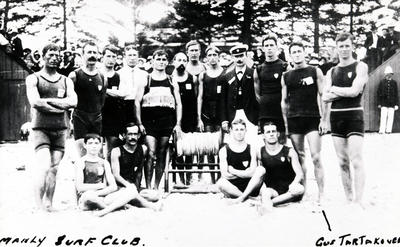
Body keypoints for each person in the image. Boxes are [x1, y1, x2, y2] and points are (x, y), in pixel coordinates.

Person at [25, 43, 77, 211]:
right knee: (44, 166)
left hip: (61, 129)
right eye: (51, 55)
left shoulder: (66, 80)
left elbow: (73, 102)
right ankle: (39, 205)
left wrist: (49, 102)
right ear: (43, 56)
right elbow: (35, 102)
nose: (54, 58)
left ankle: (49, 203)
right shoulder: (34, 78)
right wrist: (62, 105)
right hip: (41, 128)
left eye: (57, 56)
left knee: (54, 168)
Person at [322, 32, 368, 207]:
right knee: (342, 161)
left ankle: (359, 200)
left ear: (352, 46)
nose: (344, 49)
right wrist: (342, 91)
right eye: (340, 46)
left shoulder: (360, 66)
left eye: (347, 45)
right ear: (336, 48)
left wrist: (334, 89)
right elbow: (325, 97)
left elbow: (355, 91)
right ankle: (349, 198)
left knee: (356, 158)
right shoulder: (331, 71)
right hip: (336, 117)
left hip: (354, 115)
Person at [281, 41, 327, 202]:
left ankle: (321, 194)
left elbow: (323, 96)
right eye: (293, 52)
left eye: (299, 51)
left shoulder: (315, 71)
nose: (297, 54)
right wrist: (286, 125)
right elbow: (284, 101)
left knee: (315, 157)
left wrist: (324, 120)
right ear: (290, 55)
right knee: (300, 158)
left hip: (312, 119)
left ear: (304, 52)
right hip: (294, 120)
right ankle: (303, 192)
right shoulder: (286, 76)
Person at [231, 122, 304, 214]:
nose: (271, 134)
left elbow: (299, 173)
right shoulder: (260, 152)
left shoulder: (289, 151)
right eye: (268, 132)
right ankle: (268, 208)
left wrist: (293, 184)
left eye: (273, 131)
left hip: (289, 190)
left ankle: (266, 203)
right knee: (265, 192)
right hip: (273, 190)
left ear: (278, 134)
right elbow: (254, 171)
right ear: (263, 136)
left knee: (300, 189)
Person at [135, 49, 183, 190]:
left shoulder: (171, 79)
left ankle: (156, 186)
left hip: (167, 121)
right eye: (158, 59)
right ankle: (148, 186)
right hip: (149, 121)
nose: (161, 62)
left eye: (163, 59)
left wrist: (178, 124)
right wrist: (139, 123)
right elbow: (137, 102)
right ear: (152, 61)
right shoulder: (146, 79)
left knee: (162, 153)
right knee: (151, 152)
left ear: (167, 62)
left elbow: (178, 103)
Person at [75, 133, 138, 217]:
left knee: (132, 190)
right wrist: (101, 185)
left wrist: (100, 193)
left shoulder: (104, 162)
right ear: (85, 145)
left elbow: (113, 186)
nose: (94, 146)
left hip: (102, 196)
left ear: (100, 145)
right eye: (90, 143)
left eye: (96, 143)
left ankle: (105, 210)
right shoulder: (81, 162)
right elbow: (80, 187)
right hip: (86, 198)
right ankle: (114, 207)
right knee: (90, 195)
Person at [110, 123, 163, 210]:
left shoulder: (143, 149)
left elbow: (139, 171)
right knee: (129, 193)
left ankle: (127, 202)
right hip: (120, 187)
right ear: (124, 135)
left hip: (134, 187)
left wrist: (136, 187)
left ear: (139, 136)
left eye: (135, 134)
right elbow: (116, 175)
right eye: (130, 134)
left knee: (155, 195)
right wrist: (128, 185)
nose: (133, 137)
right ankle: (151, 206)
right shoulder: (116, 151)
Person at [69, 41, 107, 157]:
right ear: (82, 55)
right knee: (83, 155)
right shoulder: (74, 75)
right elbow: (68, 99)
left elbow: (102, 101)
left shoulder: (102, 77)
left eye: (94, 52)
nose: (92, 55)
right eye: (89, 52)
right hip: (80, 118)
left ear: (98, 55)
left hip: (96, 119)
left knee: (98, 155)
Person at [220, 44, 259, 144]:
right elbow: (223, 100)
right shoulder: (227, 76)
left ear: (246, 56)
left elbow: (258, 96)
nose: (239, 59)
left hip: (250, 115)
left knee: (252, 143)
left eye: (241, 56)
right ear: (232, 58)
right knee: (234, 144)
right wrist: (224, 120)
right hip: (233, 115)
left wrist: (259, 118)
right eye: (236, 56)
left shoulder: (254, 73)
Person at [197, 45, 225, 183]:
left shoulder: (225, 73)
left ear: (219, 56)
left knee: (220, 145)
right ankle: (213, 177)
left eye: (215, 55)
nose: (212, 58)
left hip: (221, 112)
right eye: (210, 55)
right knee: (209, 145)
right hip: (207, 113)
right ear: (206, 58)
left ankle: (221, 176)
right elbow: (200, 97)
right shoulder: (203, 75)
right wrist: (199, 118)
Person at [254, 34, 288, 142]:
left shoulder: (285, 66)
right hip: (265, 112)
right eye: (266, 45)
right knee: (267, 145)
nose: (269, 48)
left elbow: (289, 91)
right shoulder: (259, 69)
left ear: (277, 47)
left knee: (282, 143)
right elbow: (257, 94)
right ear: (263, 48)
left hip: (281, 112)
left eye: (272, 45)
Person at [171, 52, 197, 186]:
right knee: (177, 148)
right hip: (174, 119)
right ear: (173, 62)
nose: (181, 63)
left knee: (190, 148)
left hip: (190, 118)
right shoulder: (170, 79)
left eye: (184, 60)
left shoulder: (192, 79)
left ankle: (189, 175)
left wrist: (197, 119)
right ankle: (179, 177)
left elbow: (197, 97)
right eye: (179, 60)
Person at [216, 119, 257, 198]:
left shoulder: (251, 149)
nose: (239, 132)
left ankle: (243, 197)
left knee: (260, 172)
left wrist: (233, 171)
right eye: (236, 130)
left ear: (246, 130)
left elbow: (253, 173)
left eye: (242, 129)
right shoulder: (224, 150)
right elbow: (225, 175)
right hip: (232, 187)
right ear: (231, 131)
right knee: (220, 182)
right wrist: (245, 173)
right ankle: (247, 198)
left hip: (249, 186)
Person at [101, 45, 126, 161]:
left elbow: (122, 93)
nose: (111, 59)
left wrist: (103, 89)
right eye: (108, 56)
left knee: (112, 147)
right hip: (98, 113)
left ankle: (109, 176)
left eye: (113, 56)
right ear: (102, 58)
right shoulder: (97, 74)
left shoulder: (118, 76)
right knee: (96, 147)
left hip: (113, 114)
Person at [118, 43, 148, 125]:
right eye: (129, 55)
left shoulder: (144, 74)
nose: (132, 58)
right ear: (125, 57)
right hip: (124, 107)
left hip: (142, 107)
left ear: (138, 57)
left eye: (134, 55)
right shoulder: (118, 74)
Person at [378, 66, 399, 134]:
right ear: (385, 74)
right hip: (383, 103)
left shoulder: (394, 83)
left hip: (392, 103)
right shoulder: (382, 82)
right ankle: (382, 130)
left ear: (391, 74)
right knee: (383, 116)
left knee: (390, 117)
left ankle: (388, 130)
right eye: (387, 74)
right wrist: (379, 103)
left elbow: (396, 94)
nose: (389, 75)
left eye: (390, 74)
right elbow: (378, 93)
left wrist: (396, 104)